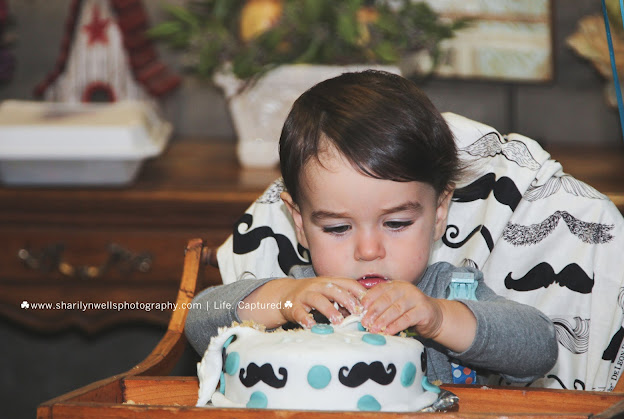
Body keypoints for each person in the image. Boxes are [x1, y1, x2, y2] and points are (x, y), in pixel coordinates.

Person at [186, 70, 558, 384]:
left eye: (396, 223)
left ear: (439, 212)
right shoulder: (301, 298)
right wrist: (283, 300)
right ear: (299, 222)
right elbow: (199, 320)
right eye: (337, 228)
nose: (368, 251)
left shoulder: (451, 292)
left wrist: (440, 318)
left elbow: (539, 348)